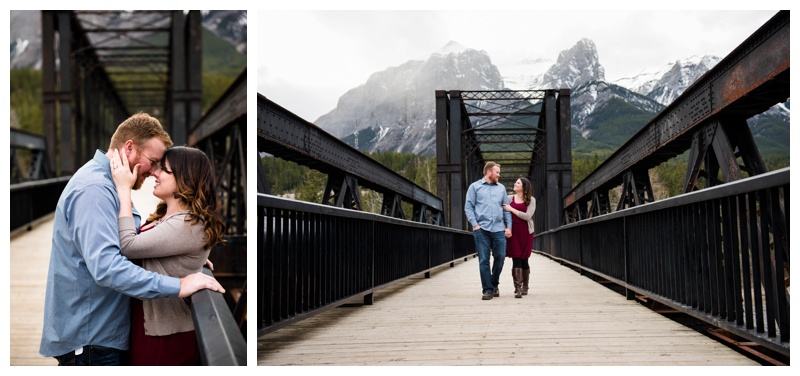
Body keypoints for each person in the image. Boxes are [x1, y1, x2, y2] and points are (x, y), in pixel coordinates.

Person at [39, 112, 225, 366]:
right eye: (153, 161)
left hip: (104, 332)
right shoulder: (94, 190)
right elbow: (107, 267)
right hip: (93, 338)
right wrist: (179, 284)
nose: (154, 171)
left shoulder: (110, 185)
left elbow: (137, 244)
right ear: (129, 148)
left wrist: (186, 259)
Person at [111, 145, 226, 366]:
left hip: (166, 336)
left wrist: (123, 190)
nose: (155, 172)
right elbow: (155, 248)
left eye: (164, 169)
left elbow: (127, 245)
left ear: (184, 178)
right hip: (149, 324)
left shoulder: (188, 223)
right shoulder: (168, 217)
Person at [465, 161, 512, 300]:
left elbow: (506, 209)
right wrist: (475, 224)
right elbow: (468, 207)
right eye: (497, 172)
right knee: (484, 260)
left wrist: (508, 226)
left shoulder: (501, 188)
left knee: (501, 257)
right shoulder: (474, 187)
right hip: (482, 229)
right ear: (489, 172)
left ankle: (494, 283)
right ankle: (487, 290)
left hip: (498, 229)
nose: (499, 175)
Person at [502, 178, 536, 298]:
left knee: (524, 259)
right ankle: (518, 288)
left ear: (524, 186)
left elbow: (527, 216)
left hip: (526, 232)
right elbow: (503, 213)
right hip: (513, 231)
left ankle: (525, 285)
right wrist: (505, 228)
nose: (515, 184)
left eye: (518, 183)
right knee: (516, 258)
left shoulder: (531, 200)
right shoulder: (509, 198)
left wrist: (511, 209)